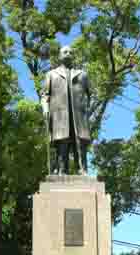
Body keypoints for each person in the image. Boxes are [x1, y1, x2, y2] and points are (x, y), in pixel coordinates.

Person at [41, 45, 91, 175]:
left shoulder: (82, 75)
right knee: (62, 143)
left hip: (78, 115)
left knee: (79, 142)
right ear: (59, 56)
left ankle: (82, 169)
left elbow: (89, 95)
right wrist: (45, 108)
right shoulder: (51, 74)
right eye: (65, 52)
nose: (68, 54)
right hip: (59, 115)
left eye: (70, 52)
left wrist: (86, 110)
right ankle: (62, 170)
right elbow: (45, 95)